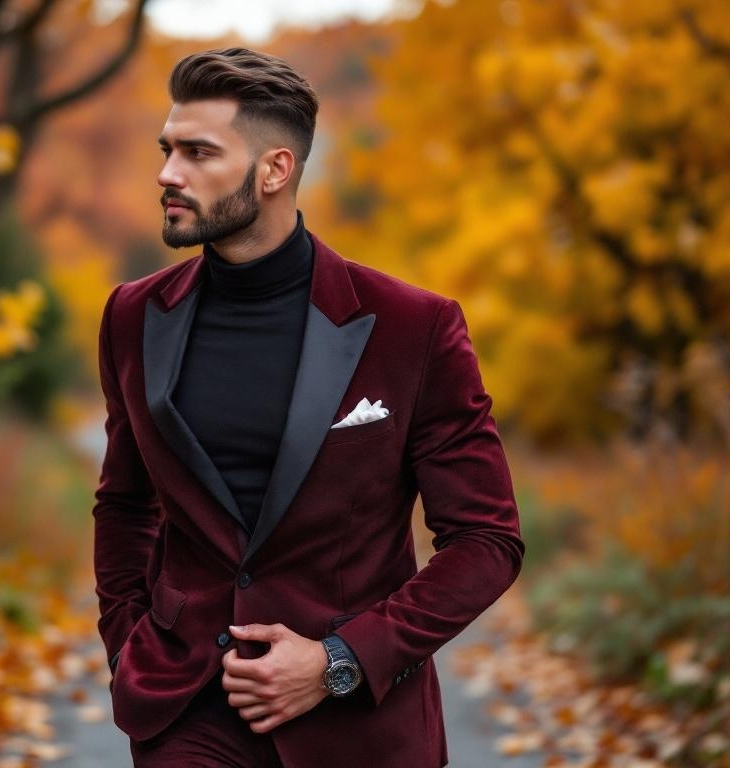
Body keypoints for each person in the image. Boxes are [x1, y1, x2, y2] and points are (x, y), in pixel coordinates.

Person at [92, 47, 523, 767]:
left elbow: (486, 542)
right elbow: (124, 504)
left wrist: (337, 660)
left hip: (360, 727)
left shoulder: (412, 328)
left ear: (275, 170)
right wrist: (129, 640)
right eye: (168, 150)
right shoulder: (133, 316)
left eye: (198, 153)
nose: (168, 173)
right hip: (187, 713)